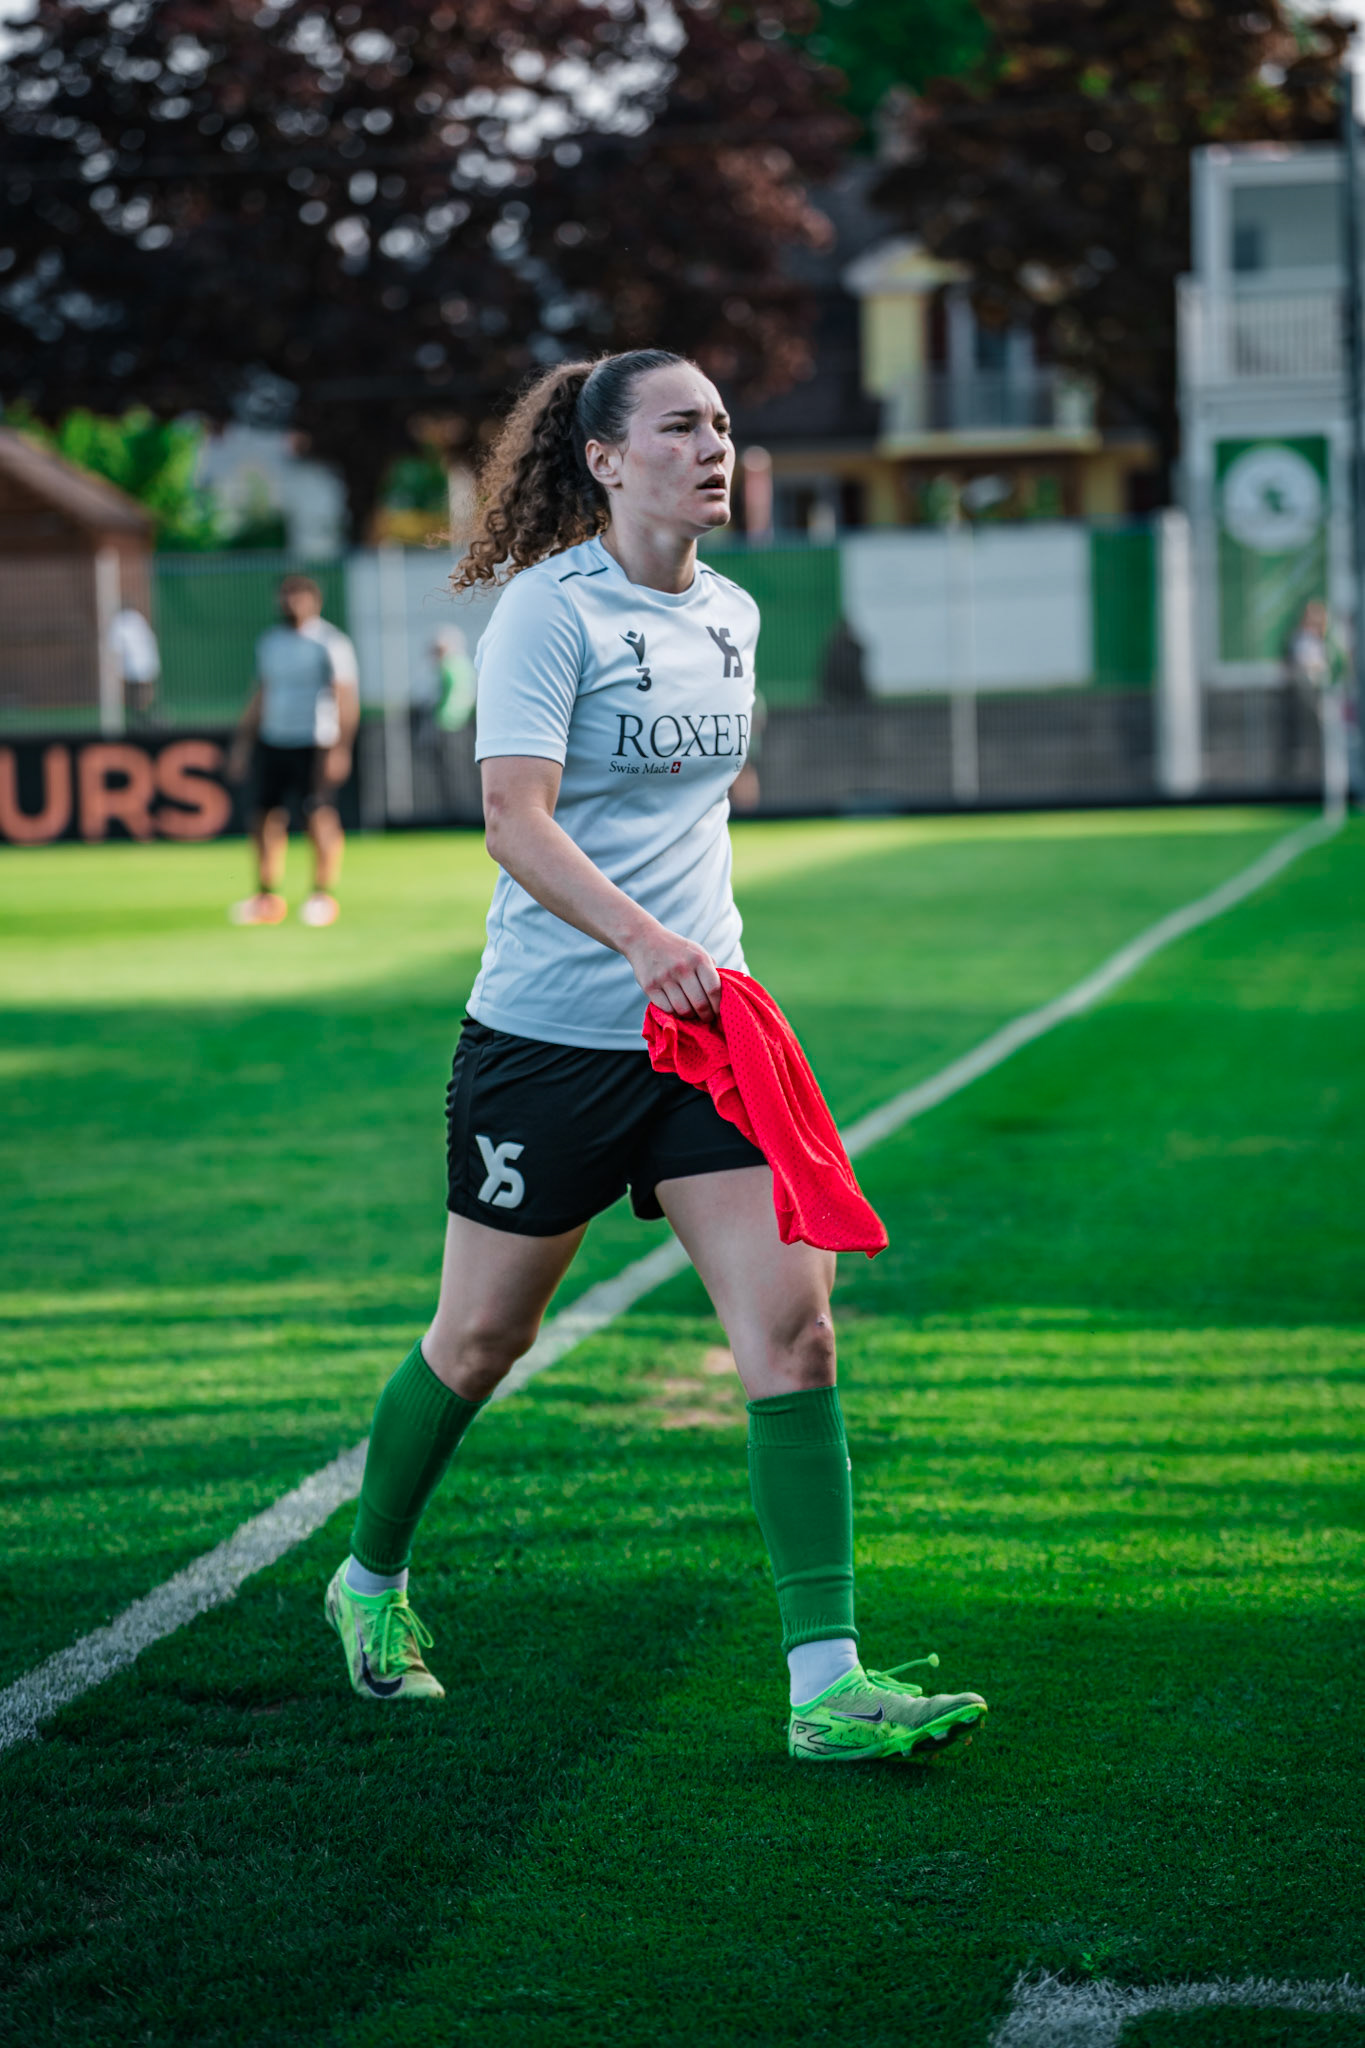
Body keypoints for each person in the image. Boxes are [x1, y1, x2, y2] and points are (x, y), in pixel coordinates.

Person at [323, 350, 988, 1764]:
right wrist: (638, 940)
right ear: (606, 458)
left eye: (723, 425)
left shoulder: (735, 613)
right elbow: (515, 819)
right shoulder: (543, 616)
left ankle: (826, 1685)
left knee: (794, 1332)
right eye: (681, 425)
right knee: (482, 1339)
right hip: (550, 1044)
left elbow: (687, 817)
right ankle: (367, 1581)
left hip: (703, 1040)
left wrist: (694, 957)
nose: (713, 445)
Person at [226, 575, 359, 927]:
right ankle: (267, 895)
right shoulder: (270, 643)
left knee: (316, 814)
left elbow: (345, 696)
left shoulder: (329, 642)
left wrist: (341, 748)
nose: (290, 603)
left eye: (298, 596)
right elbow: (262, 691)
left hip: (314, 740)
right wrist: (243, 742)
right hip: (274, 739)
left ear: (314, 601)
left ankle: (321, 894)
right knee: (264, 817)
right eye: (285, 596)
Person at [109, 604, 161, 725]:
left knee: (140, 693)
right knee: (137, 693)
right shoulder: (135, 619)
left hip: (136, 665)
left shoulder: (124, 621)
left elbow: (115, 647)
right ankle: (141, 717)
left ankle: (144, 716)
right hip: (138, 665)